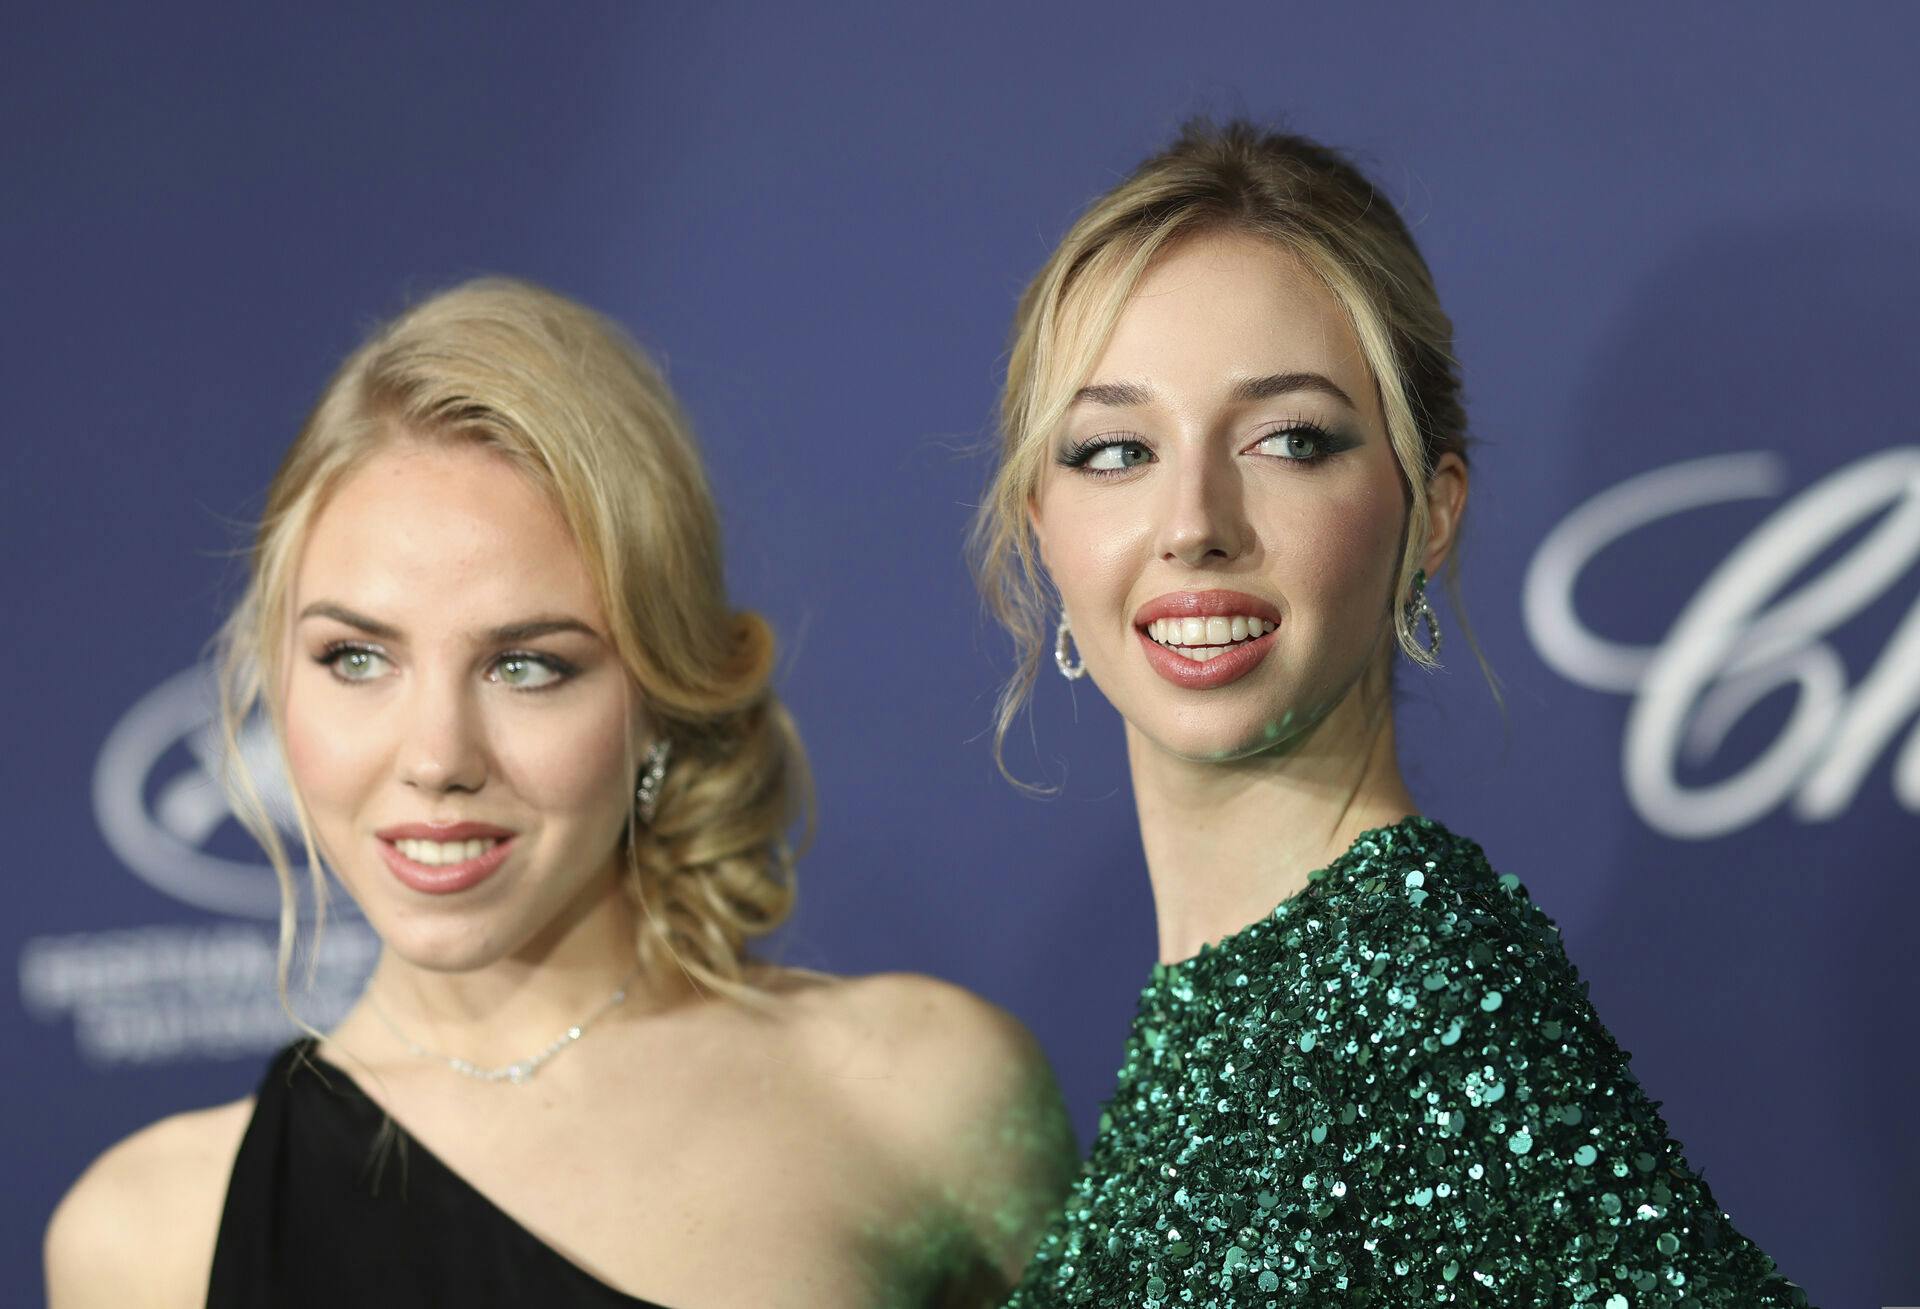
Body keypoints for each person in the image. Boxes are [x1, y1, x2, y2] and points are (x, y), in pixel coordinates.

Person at [46, 278, 1076, 1308]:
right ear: (275, 675)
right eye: (357, 657)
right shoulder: (148, 1239)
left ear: (664, 695)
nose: (437, 756)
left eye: (526, 666)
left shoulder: (924, 1100)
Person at [972, 121, 1813, 1307]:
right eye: (1116, 449)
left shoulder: (1420, 991)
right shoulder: (1237, 1007)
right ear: (1037, 528)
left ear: (1428, 511)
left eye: (1289, 439)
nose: (1195, 519)